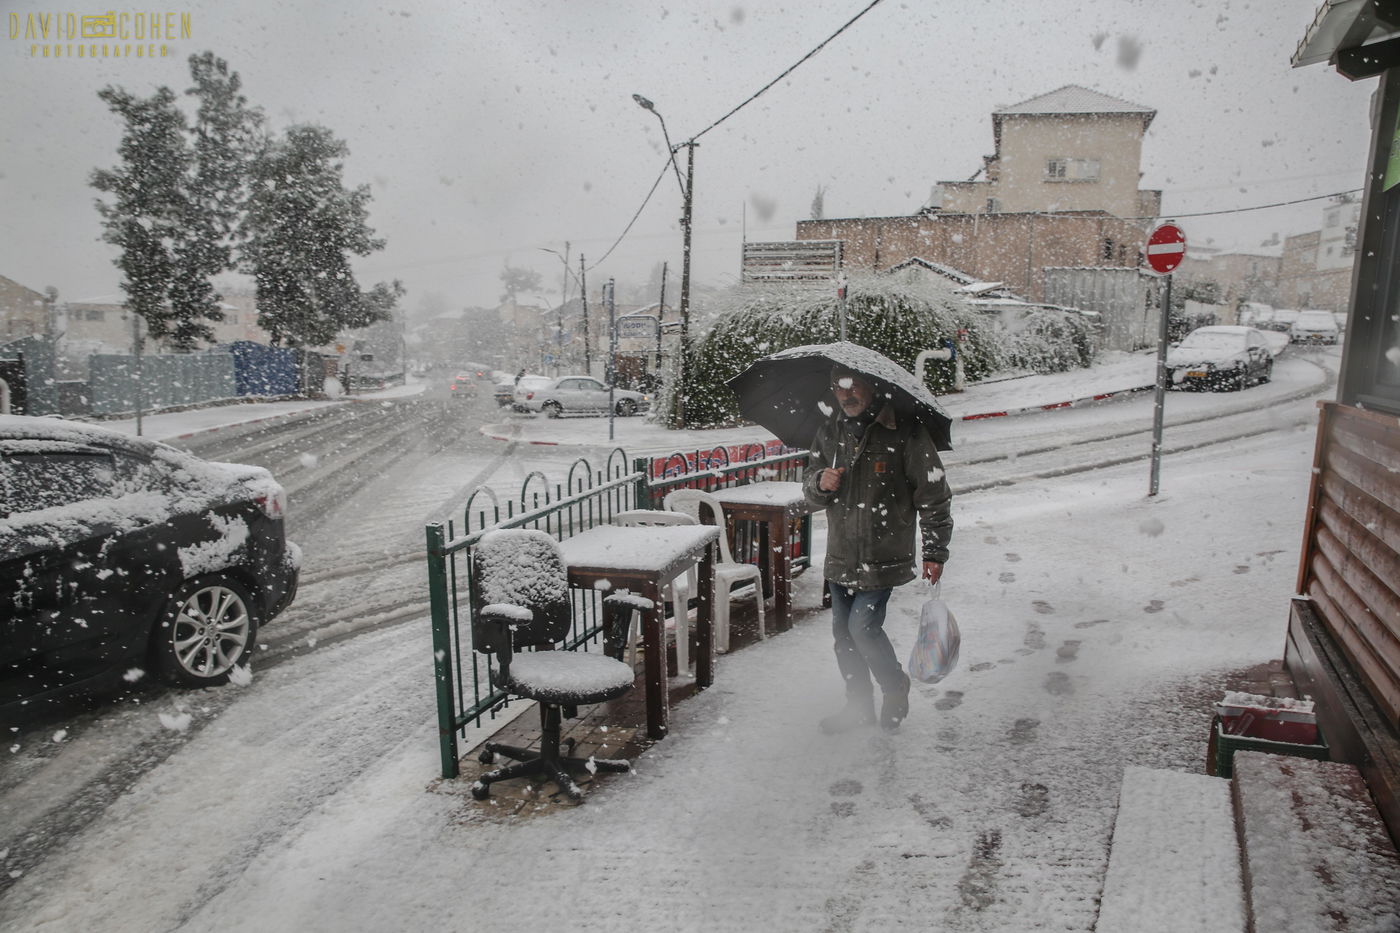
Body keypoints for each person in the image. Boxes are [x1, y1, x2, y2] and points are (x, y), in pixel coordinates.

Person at [802, 364, 953, 734]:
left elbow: (933, 494)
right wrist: (820, 482)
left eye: (854, 386)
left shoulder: (905, 432)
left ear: (872, 387)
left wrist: (934, 549)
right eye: (839, 387)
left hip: (882, 554)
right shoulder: (830, 432)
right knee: (843, 637)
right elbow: (809, 491)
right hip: (840, 555)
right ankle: (858, 707)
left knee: (863, 629)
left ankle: (895, 686)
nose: (847, 394)